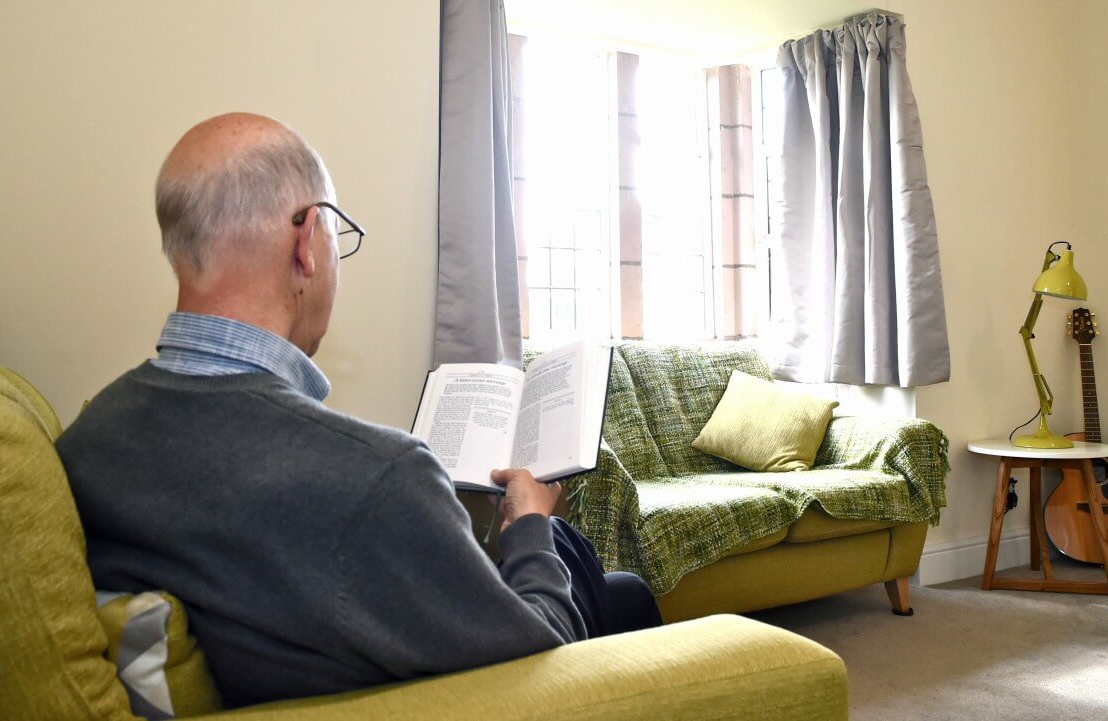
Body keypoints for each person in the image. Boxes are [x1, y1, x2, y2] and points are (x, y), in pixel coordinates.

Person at [56, 113, 660, 708]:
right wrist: (527, 525)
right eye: (335, 235)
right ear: (306, 243)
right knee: (605, 579)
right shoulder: (377, 478)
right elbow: (543, 667)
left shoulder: (91, 439)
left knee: (618, 588)